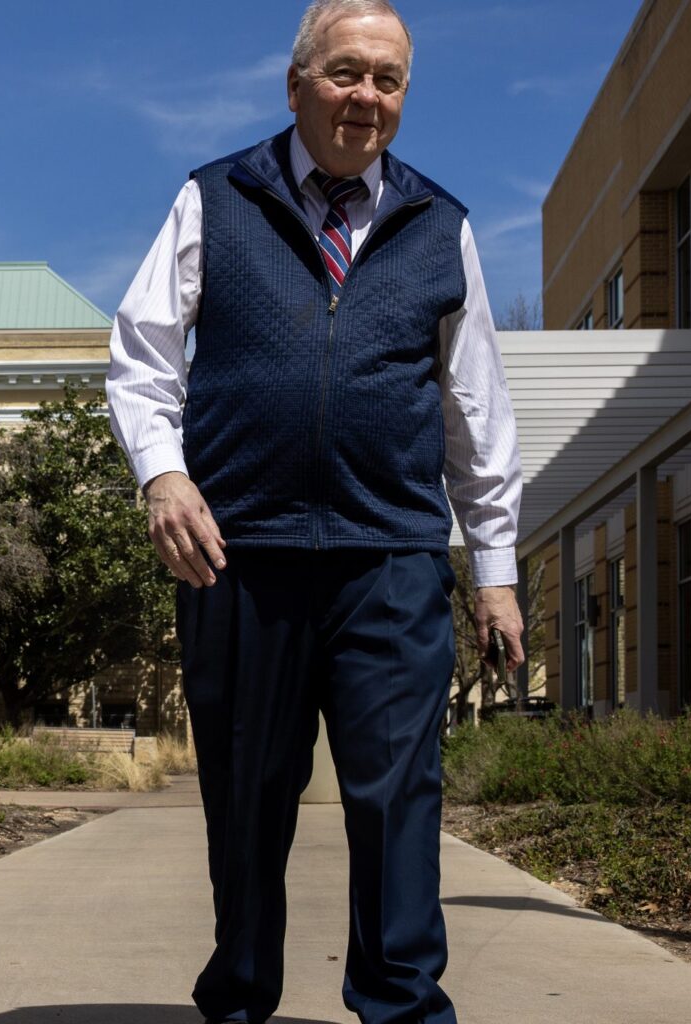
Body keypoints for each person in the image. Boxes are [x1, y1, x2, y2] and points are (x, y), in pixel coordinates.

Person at [105, 2, 525, 1022]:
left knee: (398, 798)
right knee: (247, 795)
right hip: (240, 555)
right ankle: (240, 995)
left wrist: (497, 572)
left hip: (392, 560)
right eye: (346, 72)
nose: (366, 96)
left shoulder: (440, 224)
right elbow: (143, 353)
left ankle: (401, 1005)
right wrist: (164, 477)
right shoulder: (217, 196)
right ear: (296, 85)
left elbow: (476, 413)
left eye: (388, 79)